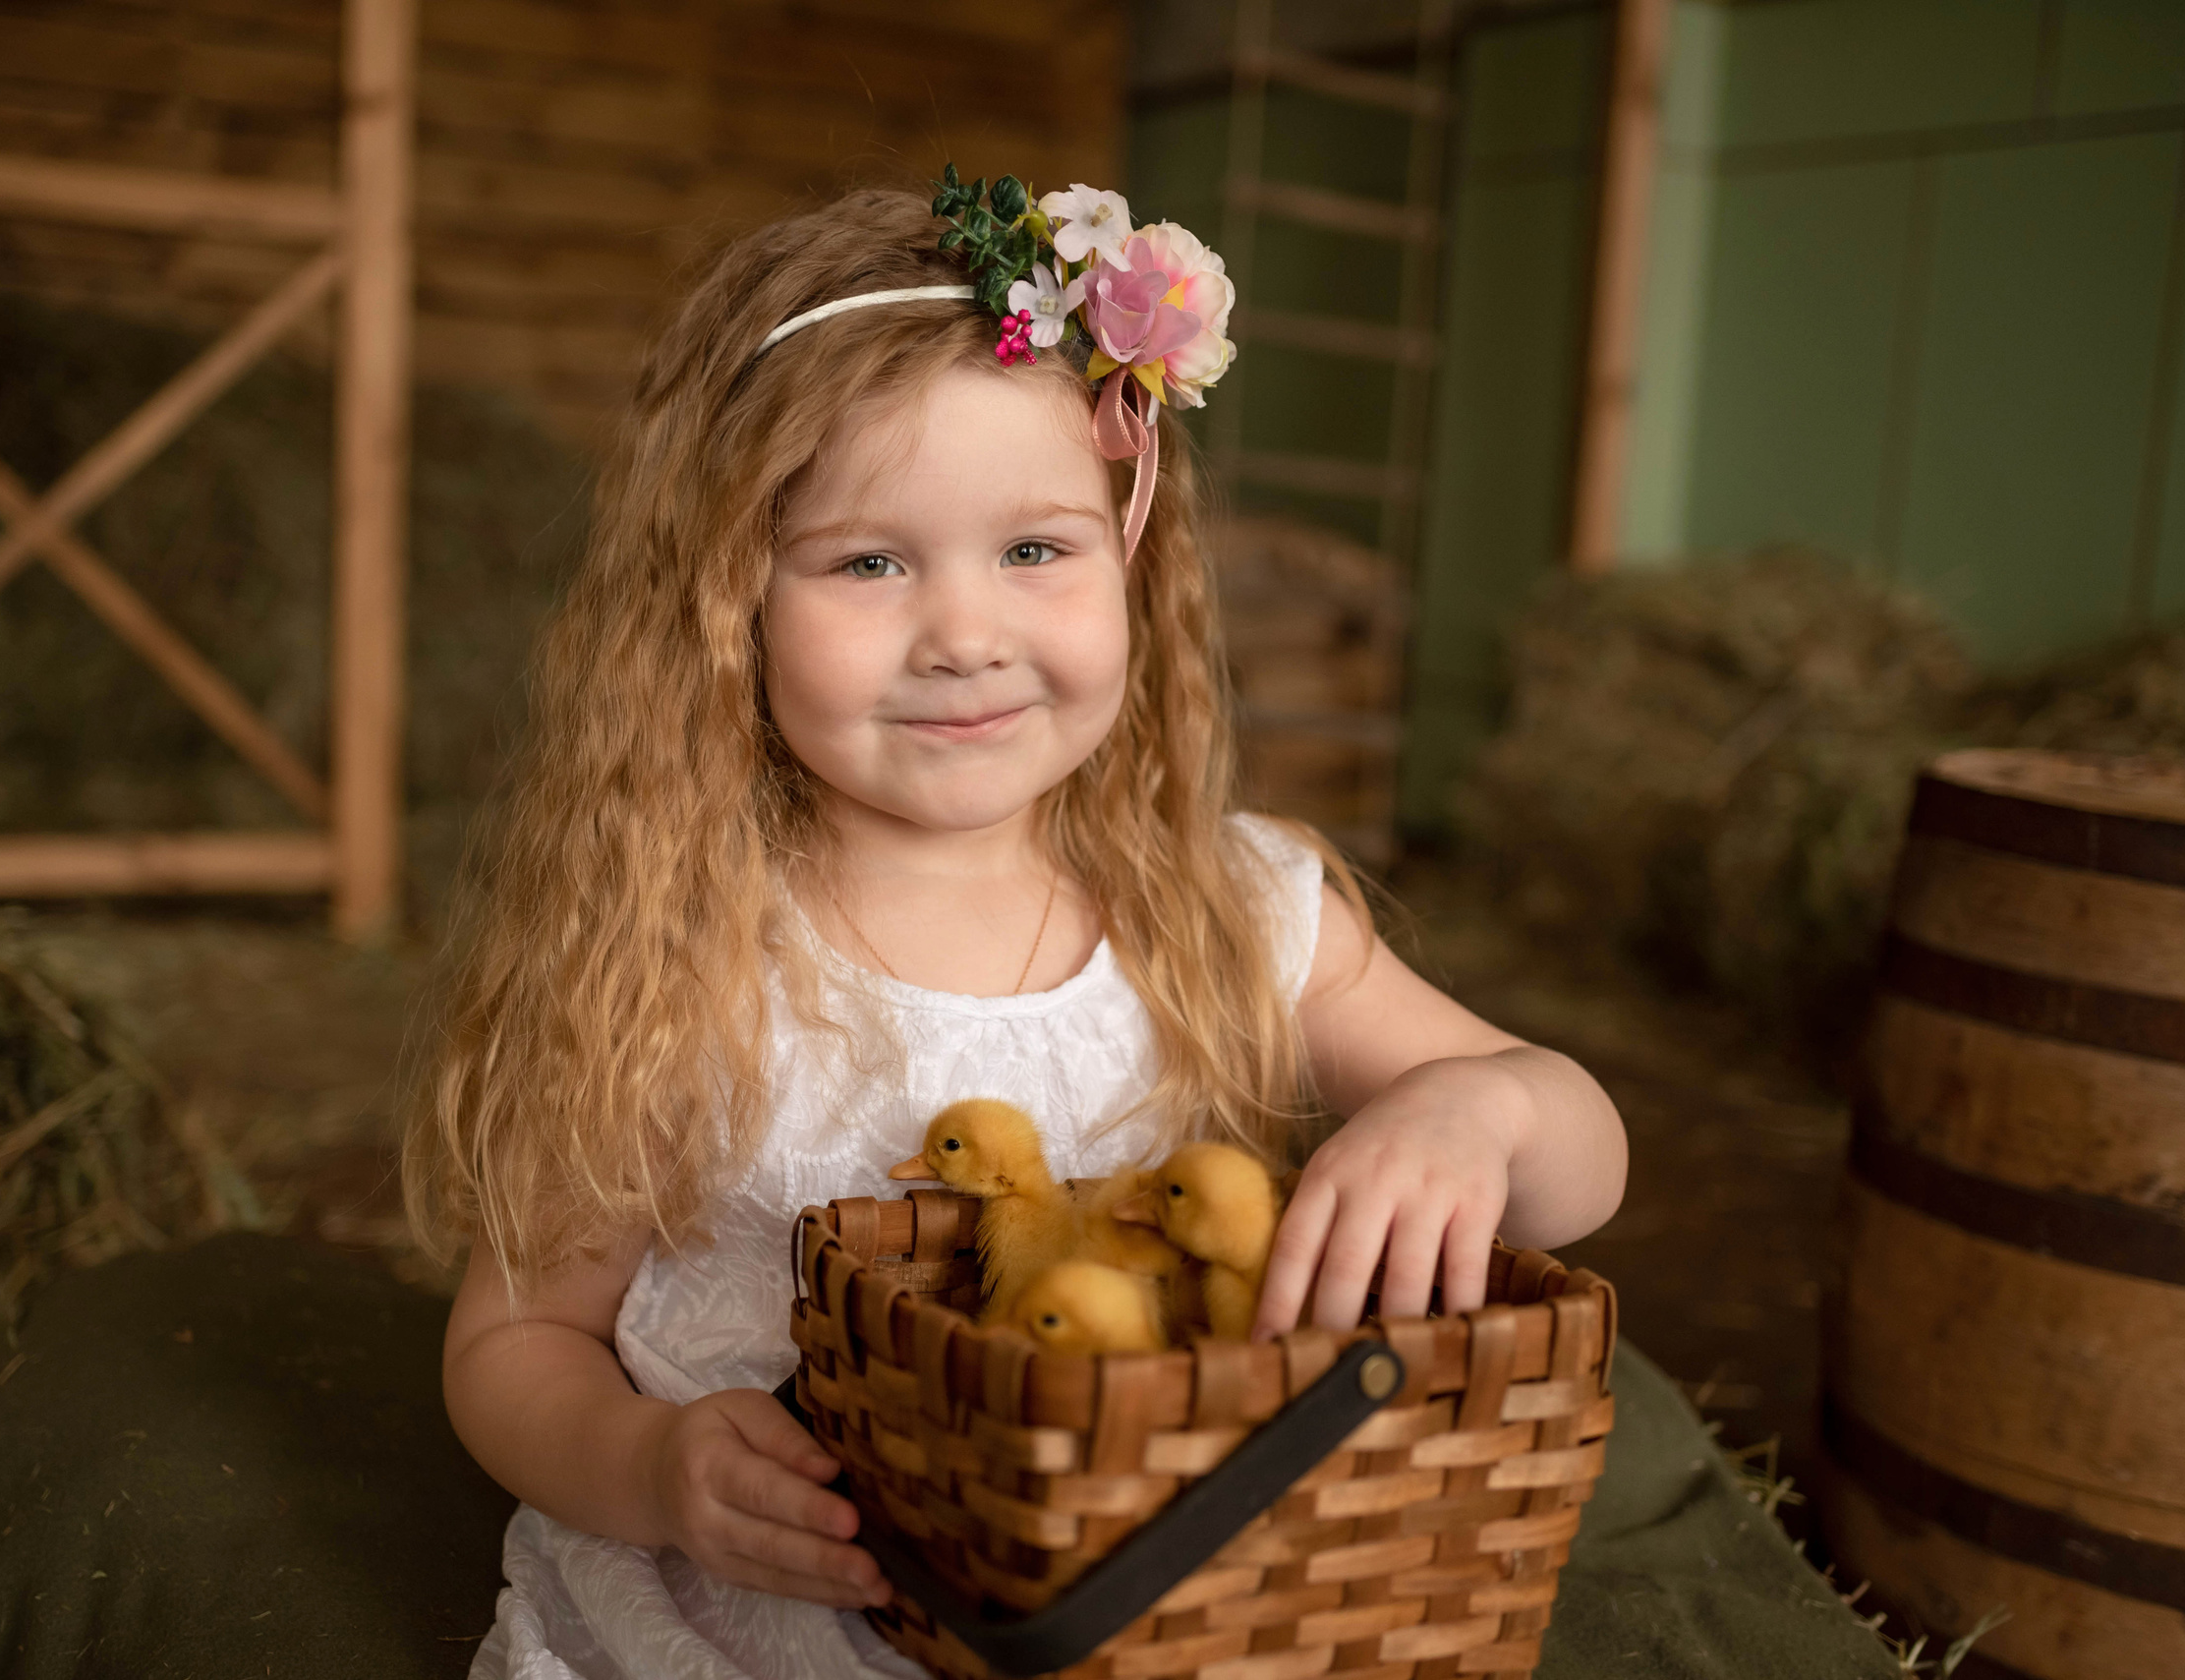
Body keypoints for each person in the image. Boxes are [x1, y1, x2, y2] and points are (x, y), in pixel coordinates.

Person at [403, 175, 1628, 1680]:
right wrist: (650, 1467)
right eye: (870, 561)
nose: (967, 632)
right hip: (776, 1616)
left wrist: (1476, 1108)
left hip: (1153, 1590)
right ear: (726, 603)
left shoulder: (1234, 909)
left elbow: (1585, 1161)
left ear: (1132, 551)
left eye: (1035, 551)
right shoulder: (679, 954)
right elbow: (509, 1347)